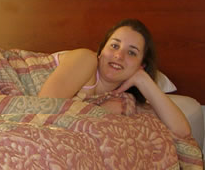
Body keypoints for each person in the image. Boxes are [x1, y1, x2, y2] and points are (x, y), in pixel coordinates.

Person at [38, 18, 191, 137]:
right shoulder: (86, 59)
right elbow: (41, 109)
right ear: (101, 50)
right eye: (114, 46)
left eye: (131, 53)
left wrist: (142, 79)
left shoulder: (122, 101)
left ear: (141, 65)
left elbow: (182, 131)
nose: (119, 55)